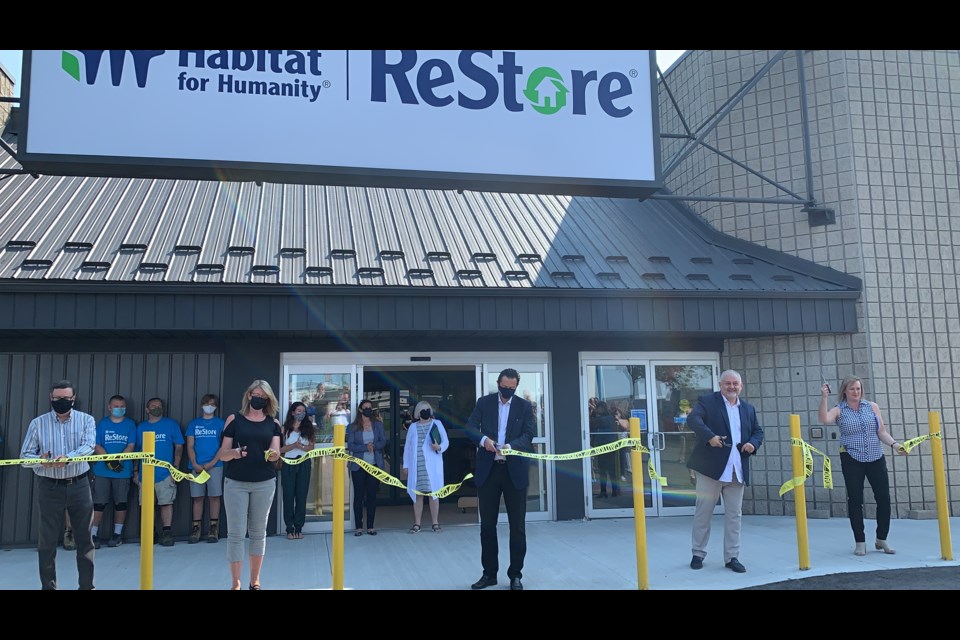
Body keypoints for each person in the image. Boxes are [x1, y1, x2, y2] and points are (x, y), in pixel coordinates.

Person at [19, 379, 97, 590]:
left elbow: (89, 446)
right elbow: (24, 456)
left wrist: (68, 458)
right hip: (49, 486)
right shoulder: (38, 423)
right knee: (47, 542)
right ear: (50, 398)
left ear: (73, 399)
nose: (61, 401)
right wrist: (40, 460)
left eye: (66, 398)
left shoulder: (86, 420)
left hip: (79, 484)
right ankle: (49, 586)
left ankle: (87, 586)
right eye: (57, 398)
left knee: (85, 539)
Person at [818, 377, 907, 556]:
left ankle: (882, 538)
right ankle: (860, 541)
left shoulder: (871, 407)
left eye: (858, 389)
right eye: (852, 389)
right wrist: (824, 398)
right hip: (852, 457)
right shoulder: (839, 409)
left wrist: (895, 445)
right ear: (845, 391)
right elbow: (824, 419)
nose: (856, 392)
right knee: (855, 500)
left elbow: (881, 431)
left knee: (883, 498)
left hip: (875, 456)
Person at [465, 368, 536, 590]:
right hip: (489, 471)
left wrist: (511, 446)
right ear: (498, 383)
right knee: (487, 526)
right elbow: (469, 428)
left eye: (511, 388)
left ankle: (516, 575)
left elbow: (528, 435)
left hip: (514, 471)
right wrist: (484, 440)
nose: (507, 391)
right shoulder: (484, 403)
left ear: (516, 387)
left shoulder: (524, 406)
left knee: (517, 527)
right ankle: (489, 574)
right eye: (503, 387)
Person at [686, 369, 763, 574]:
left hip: (737, 470)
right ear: (720, 385)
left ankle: (732, 557)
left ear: (741, 386)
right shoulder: (708, 401)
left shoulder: (748, 408)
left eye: (735, 384)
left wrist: (753, 444)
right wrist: (709, 436)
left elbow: (758, 431)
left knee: (734, 516)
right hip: (711, 470)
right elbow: (693, 420)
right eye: (727, 383)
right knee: (703, 513)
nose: (731, 387)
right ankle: (698, 553)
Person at [218, 380, 282, 590]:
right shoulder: (234, 420)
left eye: (263, 397)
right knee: (235, 534)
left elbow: (275, 455)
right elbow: (222, 454)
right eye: (256, 394)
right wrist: (235, 453)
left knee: (258, 533)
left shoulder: (274, 424)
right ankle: (235, 583)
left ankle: (254, 581)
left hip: (264, 483)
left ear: (268, 400)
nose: (258, 399)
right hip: (236, 483)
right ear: (248, 395)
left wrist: (274, 454)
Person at [133, 397, 184, 547]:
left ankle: (166, 532)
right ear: (147, 410)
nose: (157, 408)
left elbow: (179, 447)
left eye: (159, 406)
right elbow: (137, 450)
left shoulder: (171, 425)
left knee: (166, 503)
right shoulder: (141, 427)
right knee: (146, 505)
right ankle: (150, 532)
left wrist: (175, 468)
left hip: (165, 473)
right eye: (153, 406)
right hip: (145, 474)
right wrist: (135, 471)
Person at [91, 395, 136, 549]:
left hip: (122, 471)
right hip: (102, 470)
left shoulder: (130, 424)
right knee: (99, 503)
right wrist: (109, 461)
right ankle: (93, 534)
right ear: (109, 407)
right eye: (116, 406)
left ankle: (117, 534)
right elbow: (97, 445)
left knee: (121, 503)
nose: (119, 409)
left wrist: (119, 461)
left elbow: (131, 445)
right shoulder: (103, 423)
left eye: (122, 406)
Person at [403, 400, 449, 533]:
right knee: (418, 495)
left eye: (427, 409)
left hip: (432, 466)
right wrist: (406, 465)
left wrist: (439, 447)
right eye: (423, 410)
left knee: (433, 494)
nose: (425, 412)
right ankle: (417, 523)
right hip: (417, 466)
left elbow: (446, 441)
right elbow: (408, 447)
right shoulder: (412, 427)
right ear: (418, 412)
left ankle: (435, 523)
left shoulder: (437, 424)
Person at [186, 394, 225, 544]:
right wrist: (194, 463)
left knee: (214, 497)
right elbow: (190, 445)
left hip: (215, 466)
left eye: (213, 404)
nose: (210, 406)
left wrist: (212, 463)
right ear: (202, 405)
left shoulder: (220, 423)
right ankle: (196, 528)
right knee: (197, 498)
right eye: (207, 403)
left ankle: (213, 528)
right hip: (196, 466)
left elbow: (223, 446)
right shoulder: (194, 424)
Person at [345, 398, 386, 536]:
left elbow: (383, 441)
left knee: (372, 496)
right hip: (358, 466)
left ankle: (370, 526)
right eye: (366, 407)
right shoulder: (353, 427)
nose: (369, 409)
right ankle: (358, 526)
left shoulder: (378, 425)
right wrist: (364, 447)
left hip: (374, 465)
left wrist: (373, 446)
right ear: (361, 410)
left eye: (370, 407)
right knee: (359, 496)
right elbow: (350, 446)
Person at [279, 401, 315, 539]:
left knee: (301, 496)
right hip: (288, 464)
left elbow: (312, 447)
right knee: (288, 496)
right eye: (298, 410)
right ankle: (289, 528)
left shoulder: (308, 427)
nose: (301, 413)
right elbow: (280, 449)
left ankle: (299, 527)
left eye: (303, 411)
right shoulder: (284, 428)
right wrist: (294, 445)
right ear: (293, 412)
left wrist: (302, 448)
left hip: (304, 464)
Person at [589, 399, 619, 499]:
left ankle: (604, 491)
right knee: (611, 470)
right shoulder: (611, 418)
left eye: (598, 408)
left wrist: (592, 413)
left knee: (603, 471)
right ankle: (614, 490)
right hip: (610, 446)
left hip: (603, 446)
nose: (597, 410)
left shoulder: (603, 419)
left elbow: (591, 424)